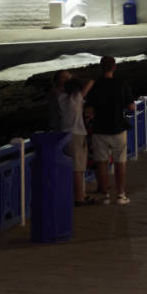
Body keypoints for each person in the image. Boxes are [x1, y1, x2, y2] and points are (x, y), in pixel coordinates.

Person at [85, 56, 133, 204]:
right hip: (118, 128)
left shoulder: (96, 85)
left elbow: (89, 109)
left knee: (102, 163)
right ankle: (120, 195)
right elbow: (131, 107)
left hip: (100, 129)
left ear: (101, 67)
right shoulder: (122, 83)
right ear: (114, 67)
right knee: (120, 162)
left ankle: (105, 195)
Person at [53, 70, 94, 205]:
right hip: (76, 134)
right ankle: (78, 198)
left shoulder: (60, 96)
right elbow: (90, 82)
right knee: (78, 168)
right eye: (67, 75)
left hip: (67, 134)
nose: (70, 76)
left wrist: (69, 81)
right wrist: (74, 78)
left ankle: (81, 194)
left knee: (78, 167)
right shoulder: (74, 96)